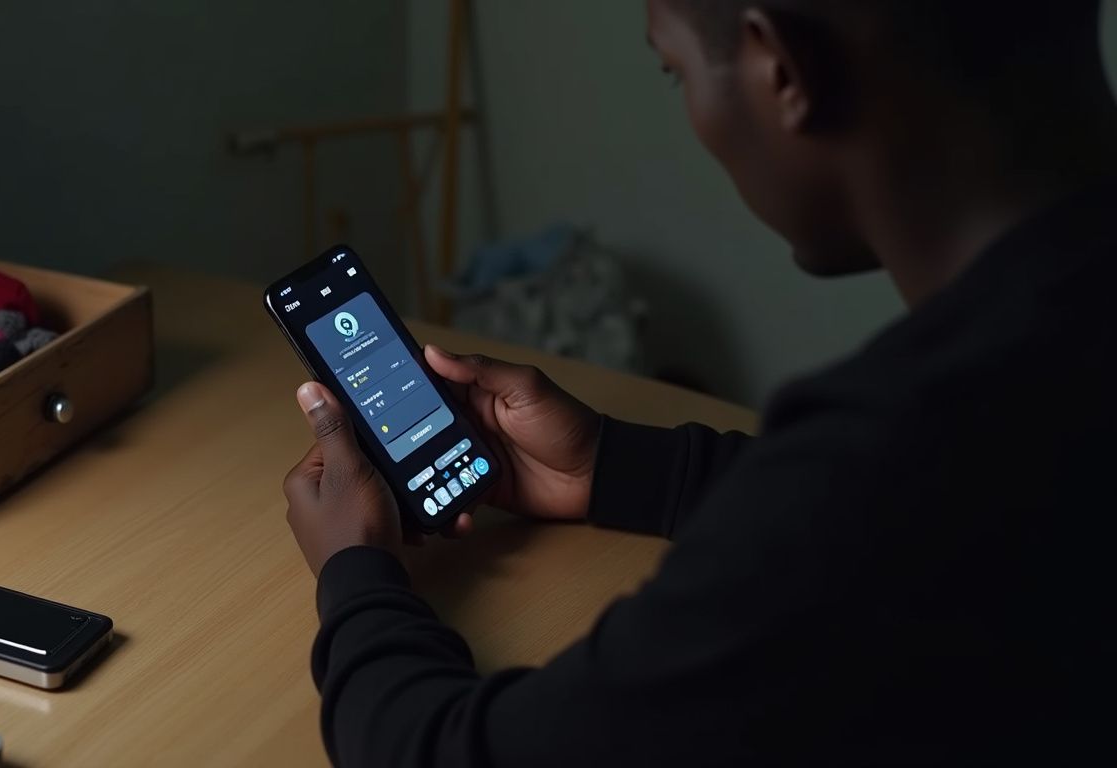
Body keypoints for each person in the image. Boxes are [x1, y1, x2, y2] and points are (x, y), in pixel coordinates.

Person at [282, 1, 1116, 764]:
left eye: (673, 69)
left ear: (780, 70)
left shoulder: (891, 468)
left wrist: (355, 570)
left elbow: (448, 754)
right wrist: (613, 465)